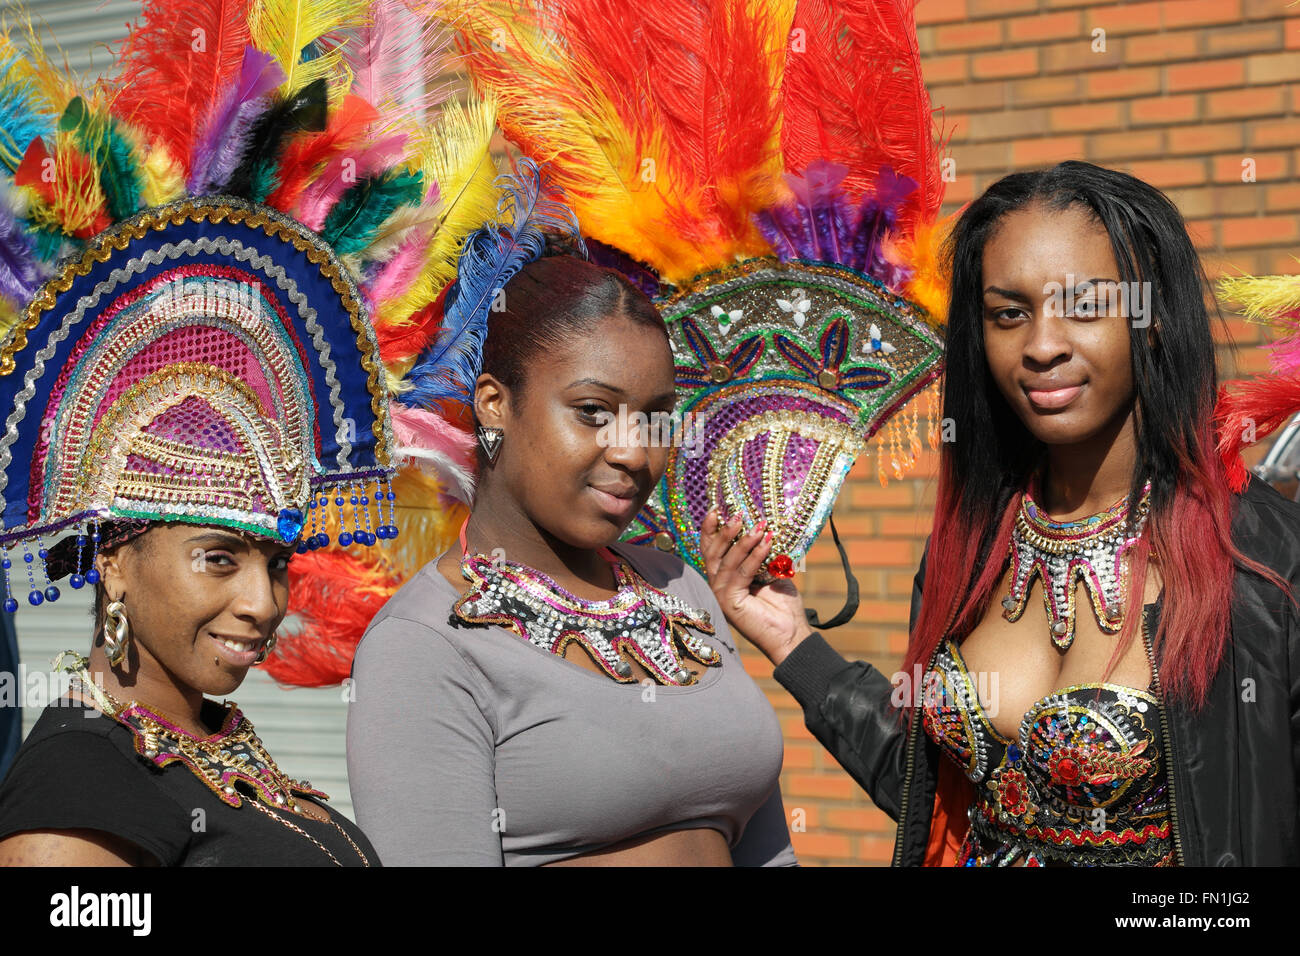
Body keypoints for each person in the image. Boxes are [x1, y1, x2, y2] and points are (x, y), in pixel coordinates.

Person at [701, 161, 1300, 866]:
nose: (1043, 345)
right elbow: (935, 800)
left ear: (1153, 316)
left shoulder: (1264, 563)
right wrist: (793, 642)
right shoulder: (975, 545)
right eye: (1008, 314)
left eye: (1084, 305)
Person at [0, 0, 474, 865]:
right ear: (111, 556)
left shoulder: (216, 744)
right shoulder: (75, 793)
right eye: (221, 557)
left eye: (276, 561)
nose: (263, 604)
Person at [347, 246, 800, 866]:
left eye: (655, 419)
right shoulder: (423, 643)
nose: (634, 455)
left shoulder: (681, 587)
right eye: (593, 412)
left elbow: (769, 853)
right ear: (494, 405)